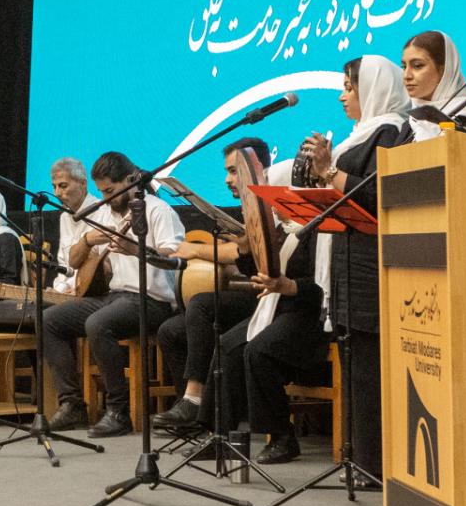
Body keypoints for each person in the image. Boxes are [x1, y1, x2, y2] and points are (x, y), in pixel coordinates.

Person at [299, 55, 412, 473]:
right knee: (354, 366)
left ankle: (375, 465)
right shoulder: (360, 134)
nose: (342, 96)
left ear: (375, 88)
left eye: (350, 87)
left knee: (370, 370)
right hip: (347, 263)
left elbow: (377, 195)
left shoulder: (391, 132)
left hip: (370, 267)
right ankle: (357, 458)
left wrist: (328, 172)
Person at [39, 151, 184, 437]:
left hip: (153, 299)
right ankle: (72, 404)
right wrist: (87, 239)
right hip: (116, 296)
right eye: (102, 192)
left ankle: (118, 411)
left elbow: (174, 258)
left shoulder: (157, 210)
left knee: (98, 323)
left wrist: (134, 249)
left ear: (130, 181)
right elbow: (74, 261)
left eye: (110, 191)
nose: (106, 198)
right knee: (49, 320)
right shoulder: (106, 213)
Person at [150, 136, 269, 433]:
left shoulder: (268, 201)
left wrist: (194, 249)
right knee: (170, 330)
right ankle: (192, 411)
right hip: (253, 293)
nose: (228, 179)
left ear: (257, 168)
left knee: (202, 304)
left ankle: (194, 398)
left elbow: (241, 251)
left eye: (234, 171)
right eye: (227, 171)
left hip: (270, 298)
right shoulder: (247, 205)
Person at [231, 160, 329, 464]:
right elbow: (262, 272)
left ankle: (282, 438)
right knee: (228, 345)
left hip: (311, 316)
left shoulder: (319, 230)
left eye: (276, 197)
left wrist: (289, 287)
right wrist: (246, 248)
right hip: (279, 310)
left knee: (258, 351)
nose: (271, 205)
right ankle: (218, 432)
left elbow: (324, 286)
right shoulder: (282, 230)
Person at [399, 31, 466, 138]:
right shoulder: (410, 124)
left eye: (417, 66)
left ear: (444, 70)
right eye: (404, 67)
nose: (407, 75)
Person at [47, 157, 91, 294]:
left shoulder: (103, 213)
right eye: (54, 187)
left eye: (63, 186)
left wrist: (75, 288)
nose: (56, 193)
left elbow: (98, 266)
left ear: (83, 183)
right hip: (67, 293)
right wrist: (59, 290)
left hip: (90, 293)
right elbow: (64, 266)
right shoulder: (64, 217)